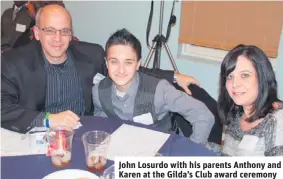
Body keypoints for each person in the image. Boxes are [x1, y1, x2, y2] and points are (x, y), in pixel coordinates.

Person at [1, 4, 199, 134]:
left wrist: (173, 76)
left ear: (71, 34)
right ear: (36, 33)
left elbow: (126, 70)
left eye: (64, 31)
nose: (57, 39)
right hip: (37, 138)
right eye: (49, 31)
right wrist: (46, 120)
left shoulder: (91, 54)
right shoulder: (14, 62)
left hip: (84, 135)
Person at [92, 29, 215, 143]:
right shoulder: (98, 91)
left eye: (128, 62)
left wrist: (190, 152)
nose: (121, 69)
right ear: (106, 63)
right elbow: (101, 120)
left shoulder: (159, 91)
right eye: (114, 61)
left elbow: (203, 116)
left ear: (138, 64)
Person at [205, 44, 283, 156]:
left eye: (245, 75)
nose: (235, 84)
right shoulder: (236, 113)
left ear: (262, 77)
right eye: (230, 77)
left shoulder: (278, 119)